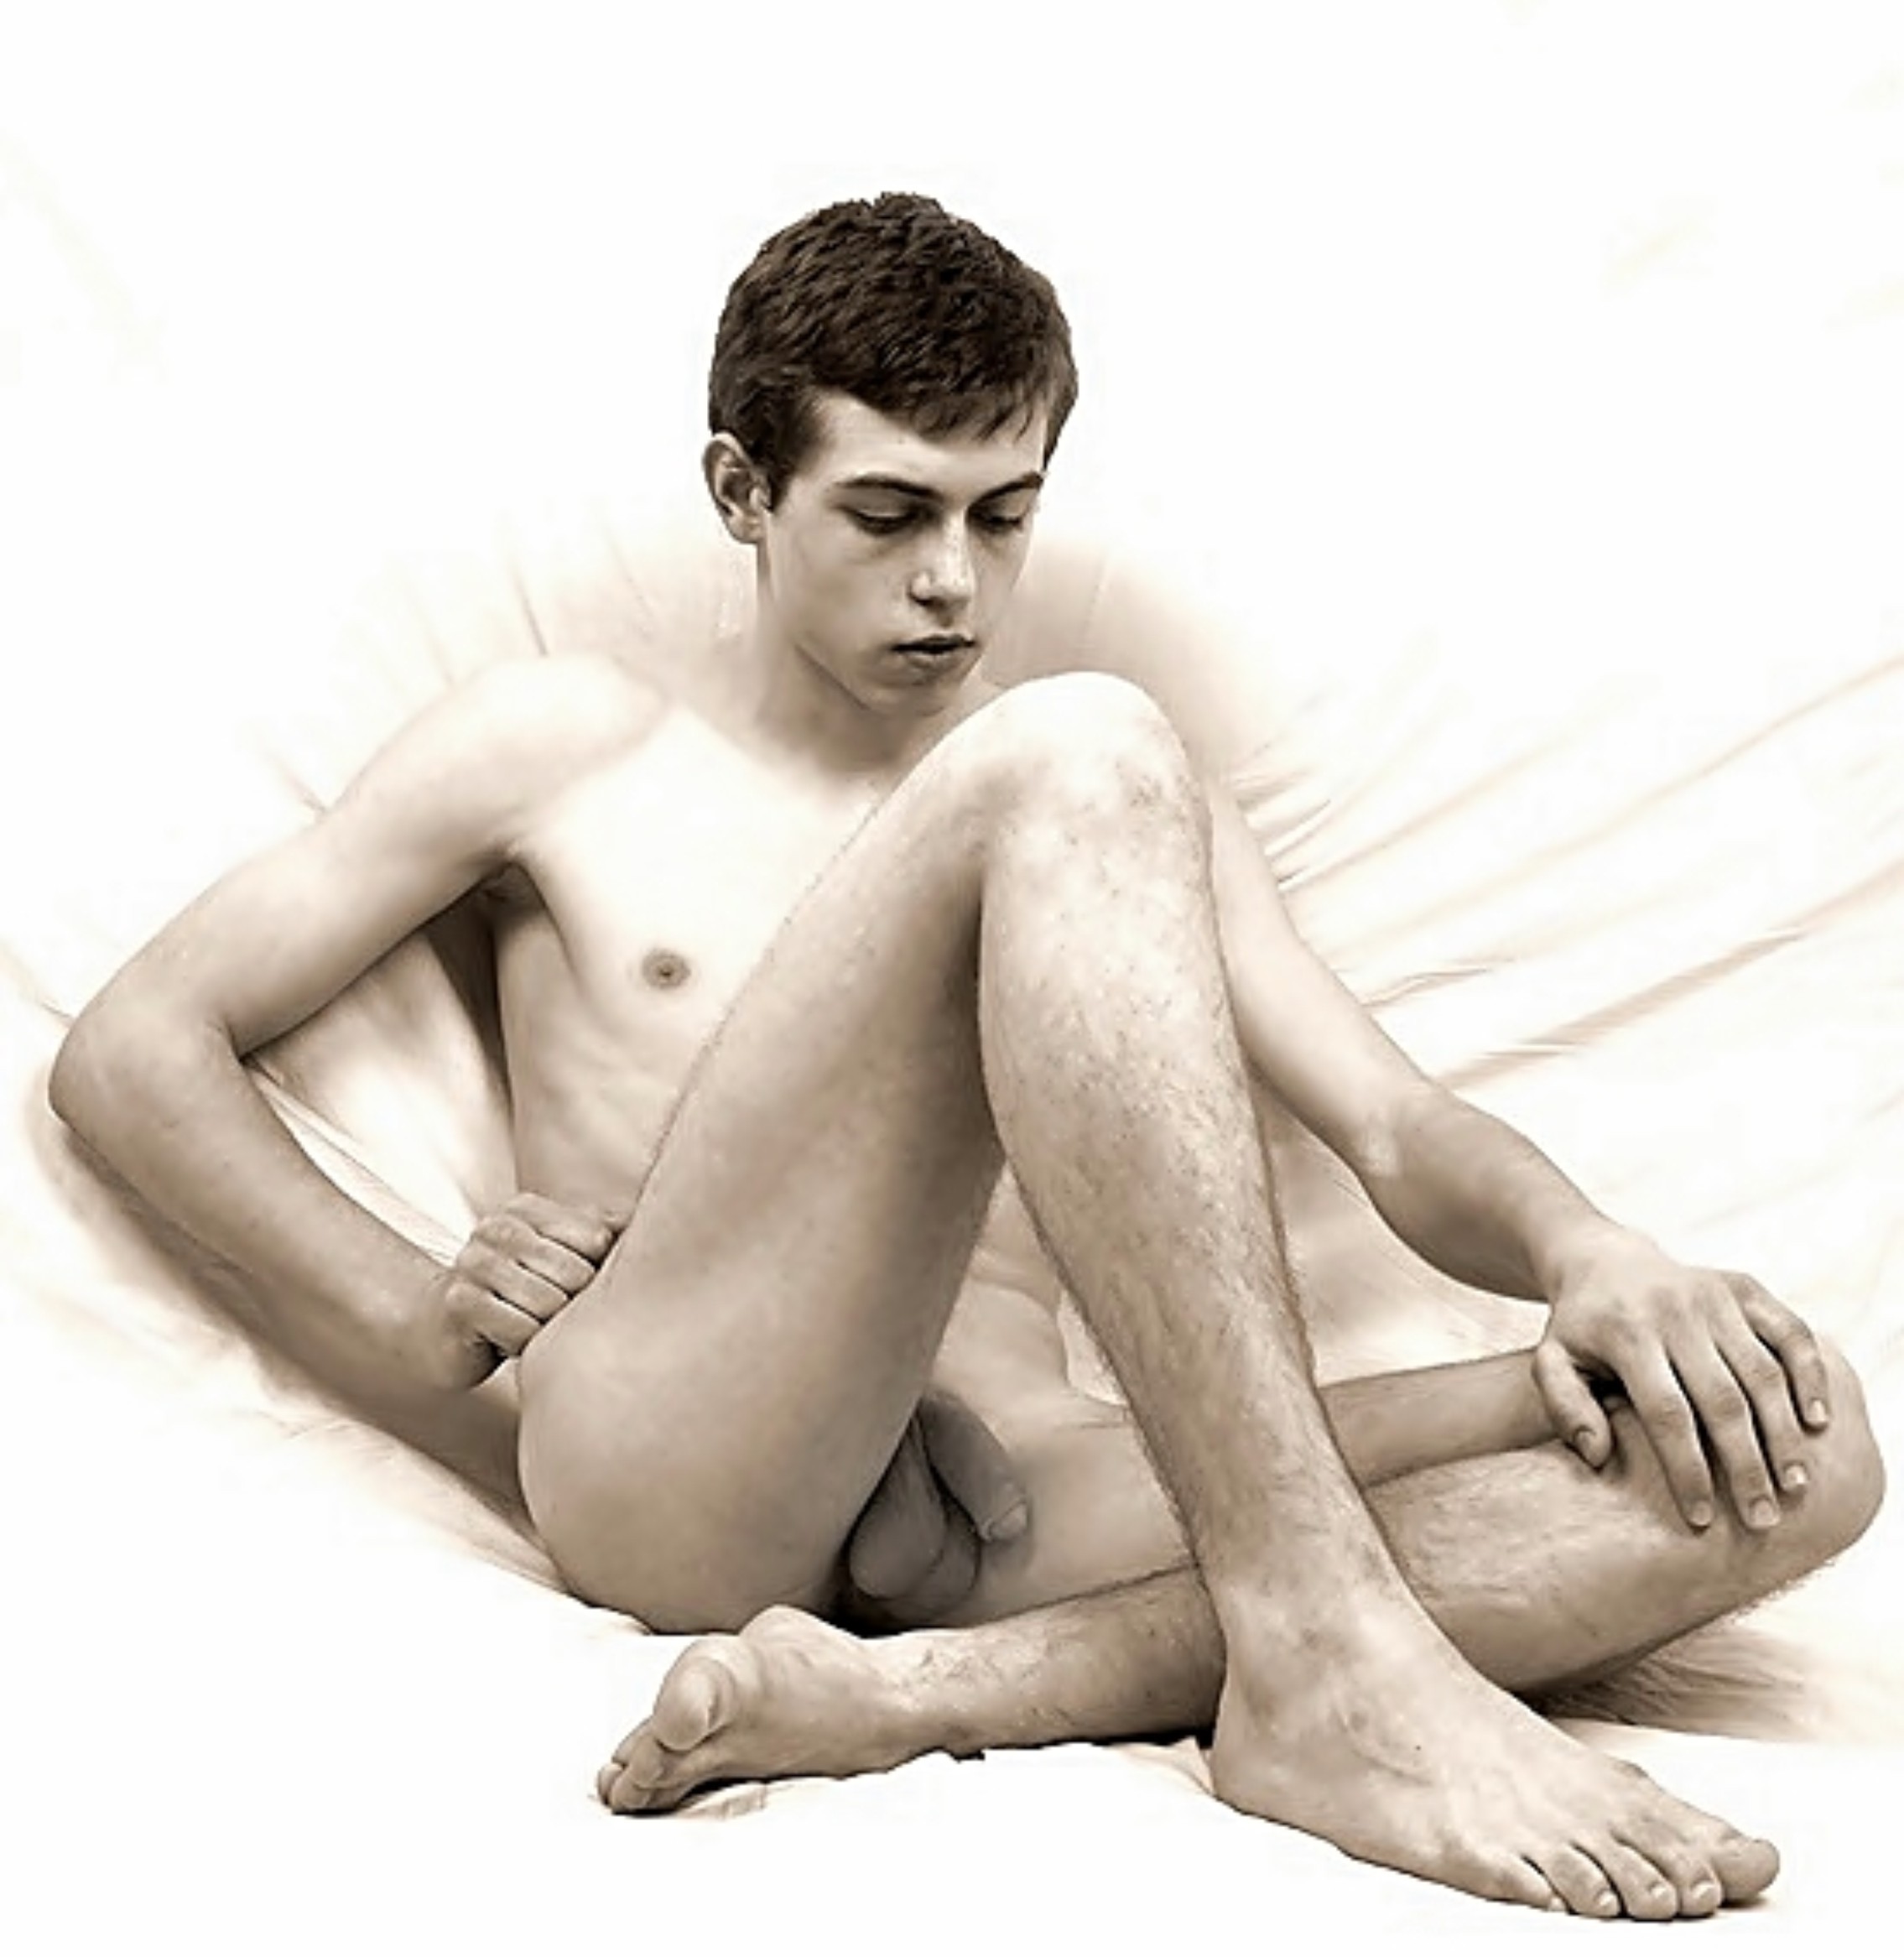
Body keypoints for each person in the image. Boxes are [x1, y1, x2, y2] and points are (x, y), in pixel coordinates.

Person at [49, 192, 1885, 1922]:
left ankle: (924, 1695)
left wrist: (1592, 1254)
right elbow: (135, 1053)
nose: (952, 583)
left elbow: (1394, 1125)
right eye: (887, 514)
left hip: (1030, 1485)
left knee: (1787, 1442)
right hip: (690, 1458)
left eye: (1002, 517)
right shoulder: (579, 745)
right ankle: (1324, 1655)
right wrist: (424, 1333)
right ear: (741, 489)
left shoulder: (1110, 815)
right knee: (1077, 750)